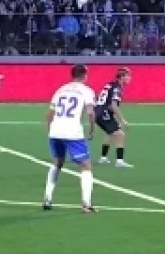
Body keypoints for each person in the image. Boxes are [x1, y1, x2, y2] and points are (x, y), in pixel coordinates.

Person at [44, 64, 97, 213]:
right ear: (84, 75)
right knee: (85, 165)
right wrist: (92, 130)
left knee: (57, 162)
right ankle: (86, 204)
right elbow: (91, 112)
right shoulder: (87, 91)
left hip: (55, 130)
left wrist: (50, 130)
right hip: (72, 132)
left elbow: (50, 114)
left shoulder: (60, 90)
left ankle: (47, 198)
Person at [96, 67, 132, 167]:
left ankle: (103, 158)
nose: (130, 78)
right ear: (122, 77)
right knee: (120, 135)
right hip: (104, 113)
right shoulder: (117, 88)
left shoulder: (110, 84)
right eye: (128, 76)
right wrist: (122, 120)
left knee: (110, 133)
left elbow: (102, 98)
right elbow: (113, 105)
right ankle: (119, 161)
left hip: (99, 112)